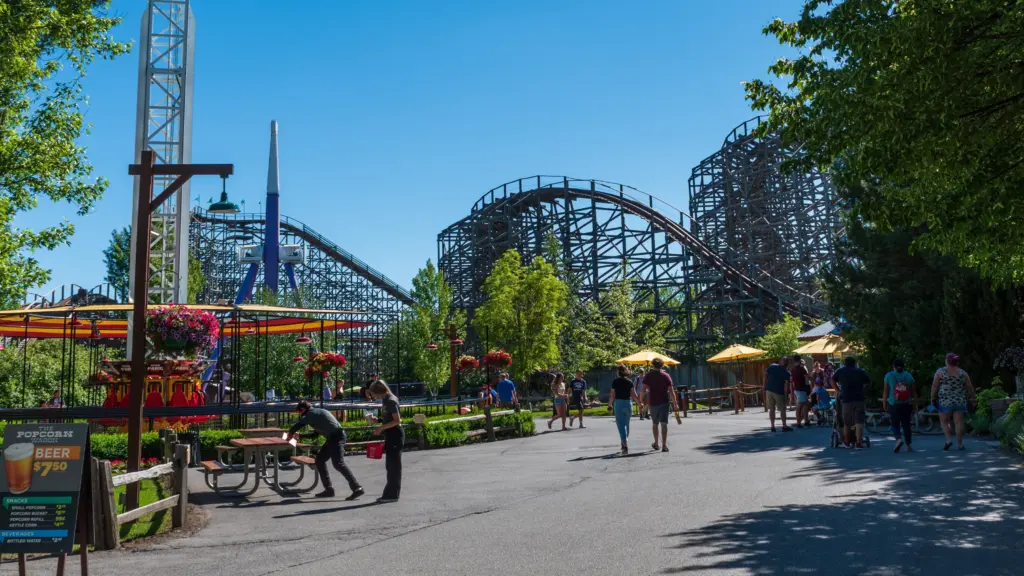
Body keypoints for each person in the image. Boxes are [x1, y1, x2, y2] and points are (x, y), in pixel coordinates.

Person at [286, 399, 363, 499]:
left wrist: (290, 434)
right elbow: (315, 435)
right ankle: (329, 489)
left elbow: (298, 425)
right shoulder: (317, 413)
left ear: (303, 409)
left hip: (337, 437)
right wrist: (301, 436)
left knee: (338, 463)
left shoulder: (311, 413)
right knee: (320, 460)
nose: (300, 415)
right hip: (332, 438)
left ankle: (357, 488)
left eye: (299, 412)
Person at [931, 352, 976, 451]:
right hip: (959, 400)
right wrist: (973, 398)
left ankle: (948, 440)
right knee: (959, 423)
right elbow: (969, 387)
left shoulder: (940, 372)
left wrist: (933, 397)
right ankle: (960, 444)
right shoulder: (963, 373)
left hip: (945, 401)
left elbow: (935, 386)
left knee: (944, 421)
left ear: (947, 361)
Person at [367, 379, 403, 503]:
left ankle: (392, 495)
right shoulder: (386, 399)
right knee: (390, 465)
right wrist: (378, 420)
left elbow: (397, 420)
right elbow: (389, 419)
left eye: (373, 393)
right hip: (391, 434)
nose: (372, 396)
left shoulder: (391, 400)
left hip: (395, 434)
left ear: (378, 392)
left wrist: (381, 427)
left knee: (394, 466)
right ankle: (389, 493)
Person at [641, 357, 679, 452]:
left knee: (655, 423)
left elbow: (643, 389)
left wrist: (641, 401)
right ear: (662, 365)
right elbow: (671, 391)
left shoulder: (648, 376)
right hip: (664, 402)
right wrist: (675, 403)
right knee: (664, 424)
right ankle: (664, 445)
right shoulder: (666, 376)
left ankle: (656, 443)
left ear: (653, 365)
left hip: (653, 402)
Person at [834, 356, 869, 449]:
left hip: (846, 399)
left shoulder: (840, 371)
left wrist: (838, 391)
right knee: (859, 421)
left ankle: (846, 441)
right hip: (859, 398)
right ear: (855, 363)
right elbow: (867, 382)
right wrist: (862, 390)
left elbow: (832, 380)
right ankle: (858, 442)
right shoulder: (861, 371)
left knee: (846, 422)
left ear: (845, 363)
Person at [883, 358, 917, 453]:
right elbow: (913, 392)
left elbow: (886, 390)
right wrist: (915, 404)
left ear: (893, 367)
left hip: (893, 404)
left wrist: (884, 403)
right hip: (906, 404)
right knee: (906, 424)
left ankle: (898, 439)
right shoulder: (908, 376)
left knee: (894, 423)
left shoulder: (889, 376)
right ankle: (908, 445)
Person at [608, 365, 639, 454]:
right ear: (625, 372)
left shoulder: (615, 382)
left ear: (618, 372)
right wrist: (639, 403)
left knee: (621, 425)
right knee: (626, 424)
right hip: (628, 403)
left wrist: (610, 404)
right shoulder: (629, 381)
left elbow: (612, 394)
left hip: (618, 403)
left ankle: (624, 443)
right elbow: (634, 394)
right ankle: (624, 441)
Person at [763, 357, 792, 432]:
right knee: (782, 409)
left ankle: (772, 426)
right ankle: (784, 426)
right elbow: (786, 386)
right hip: (779, 392)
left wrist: (764, 385)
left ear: (780, 361)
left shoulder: (772, 366)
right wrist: (786, 397)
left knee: (771, 409)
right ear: (787, 364)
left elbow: (765, 374)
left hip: (769, 390)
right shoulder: (786, 373)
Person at [790, 354, 811, 427]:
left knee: (805, 405)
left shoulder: (793, 369)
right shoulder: (802, 369)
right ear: (800, 360)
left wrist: (792, 392)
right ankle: (798, 422)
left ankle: (806, 420)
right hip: (801, 389)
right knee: (799, 406)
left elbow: (792, 381)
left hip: (797, 388)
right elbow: (807, 377)